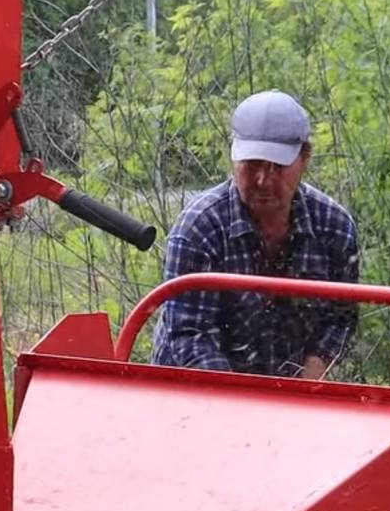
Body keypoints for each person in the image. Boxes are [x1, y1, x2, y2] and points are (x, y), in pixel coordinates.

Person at [151, 90, 359, 379]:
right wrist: (240, 409)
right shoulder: (199, 228)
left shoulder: (334, 227)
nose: (263, 180)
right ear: (234, 158)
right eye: (252, 165)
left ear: (305, 159)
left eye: (277, 167)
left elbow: (341, 317)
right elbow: (190, 335)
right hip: (193, 392)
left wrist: (310, 376)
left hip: (285, 396)